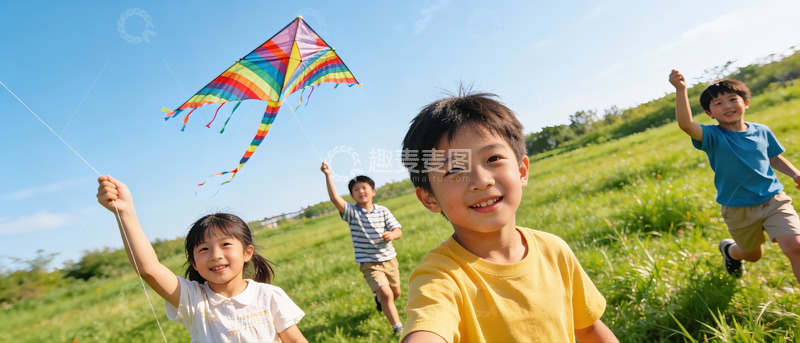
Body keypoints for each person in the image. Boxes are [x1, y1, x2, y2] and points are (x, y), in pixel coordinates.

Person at [399, 90, 618, 342]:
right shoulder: (440, 277)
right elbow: (428, 328)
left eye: (493, 158)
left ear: (522, 170)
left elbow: (588, 327)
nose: (481, 181)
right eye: (454, 169)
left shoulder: (554, 250)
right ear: (429, 198)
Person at [96, 175, 307, 342]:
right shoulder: (193, 300)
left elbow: (295, 340)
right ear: (194, 263)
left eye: (225, 244)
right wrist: (125, 212)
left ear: (247, 252)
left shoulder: (268, 295)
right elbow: (149, 269)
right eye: (204, 249)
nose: (215, 255)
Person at [669, 70, 800, 281]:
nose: (727, 106)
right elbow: (686, 124)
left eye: (732, 99)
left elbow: (773, 157)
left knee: (796, 246)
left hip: (773, 200)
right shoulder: (712, 136)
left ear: (746, 102)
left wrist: (795, 174)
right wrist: (681, 89)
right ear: (709, 113)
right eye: (717, 103)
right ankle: (730, 250)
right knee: (753, 255)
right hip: (738, 208)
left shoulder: (762, 131)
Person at [319, 163, 405, 335]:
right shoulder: (352, 212)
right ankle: (398, 327)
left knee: (396, 292)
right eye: (356, 190)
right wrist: (328, 175)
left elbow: (398, 230)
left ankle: (380, 301)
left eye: (364, 188)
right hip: (369, 264)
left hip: (389, 259)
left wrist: (392, 235)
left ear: (373, 191)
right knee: (387, 295)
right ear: (352, 195)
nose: (361, 191)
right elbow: (335, 198)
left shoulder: (383, 211)